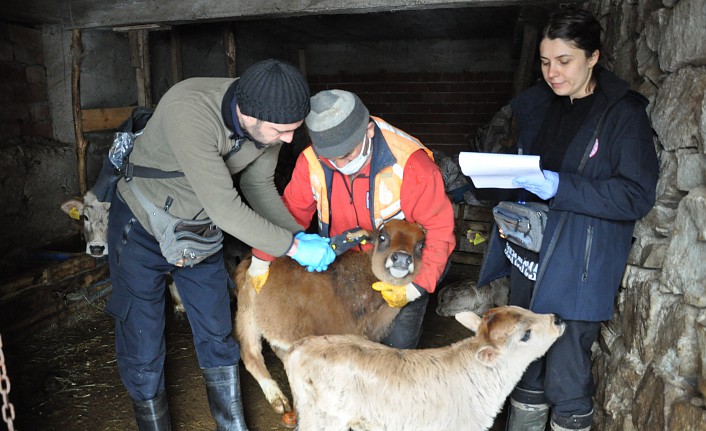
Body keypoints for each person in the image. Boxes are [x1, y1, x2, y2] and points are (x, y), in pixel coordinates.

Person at [105, 59, 336, 431]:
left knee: (216, 330)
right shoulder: (189, 110)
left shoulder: (270, 122)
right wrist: (291, 248)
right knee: (143, 339)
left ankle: (233, 427)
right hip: (142, 226)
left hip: (198, 227)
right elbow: (227, 209)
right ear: (248, 115)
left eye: (294, 130)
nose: (290, 139)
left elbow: (257, 186)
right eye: (282, 131)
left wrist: (295, 233)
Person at [477, 8, 658, 431]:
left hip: (580, 264)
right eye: (544, 62)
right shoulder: (544, 105)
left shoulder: (622, 116)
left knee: (567, 374)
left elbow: (636, 195)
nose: (552, 73)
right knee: (523, 366)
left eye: (564, 61)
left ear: (593, 57)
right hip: (531, 255)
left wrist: (562, 187)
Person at [247, 89, 456, 349]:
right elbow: (291, 211)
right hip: (344, 266)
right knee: (345, 344)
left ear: (368, 131)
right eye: (330, 158)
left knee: (396, 347)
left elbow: (440, 228)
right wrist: (262, 256)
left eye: (346, 155)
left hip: (401, 268)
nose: (338, 164)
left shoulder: (410, 164)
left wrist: (417, 287)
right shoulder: (311, 161)